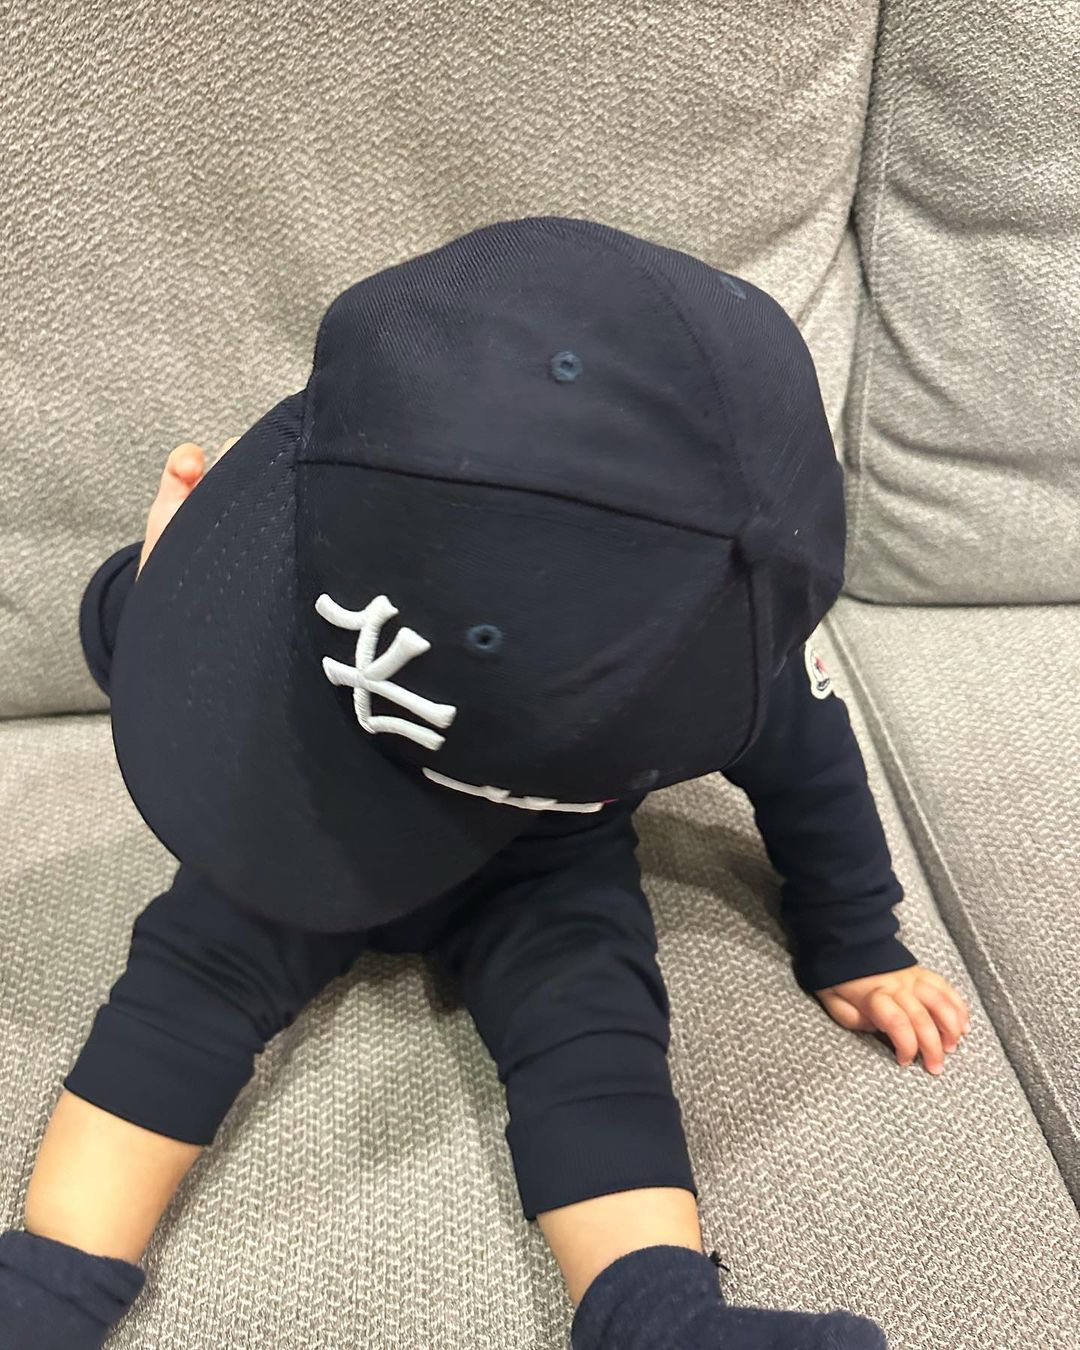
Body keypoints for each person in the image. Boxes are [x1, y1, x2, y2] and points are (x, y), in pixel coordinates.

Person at [0, 216, 971, 1350]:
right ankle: (46, 1284)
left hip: (525, 865)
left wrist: (856, 936)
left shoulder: (735, 659)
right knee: (202, 987)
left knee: (588, 1025)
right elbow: (146, 653)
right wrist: (164, 581)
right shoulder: (718, 657)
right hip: (299, 791)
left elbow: (815, 781)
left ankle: (656, 1315)